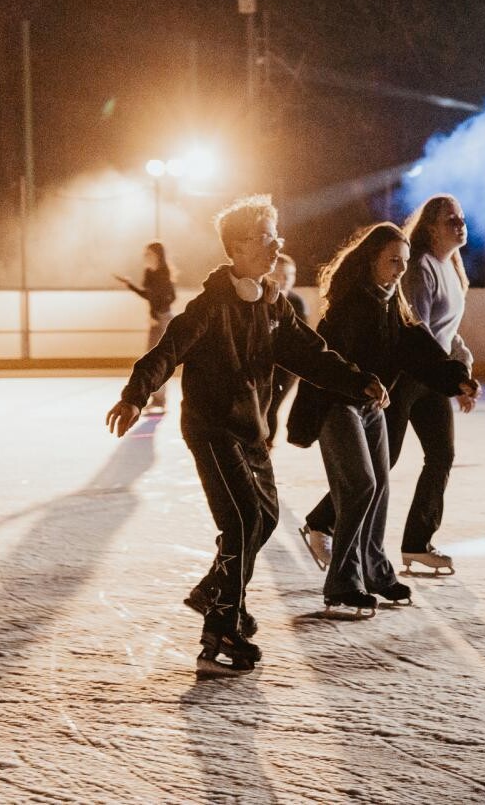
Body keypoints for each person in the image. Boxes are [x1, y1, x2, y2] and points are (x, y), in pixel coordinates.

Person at [104, 194, 385, 677]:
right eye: (265, 237)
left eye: (276, 235)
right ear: (236, 247)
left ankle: (214, 591)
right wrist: (135, 395)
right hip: (212, 430)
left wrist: (358, 380)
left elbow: (312, 355)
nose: (277, 245)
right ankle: (220, 632)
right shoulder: (210, 306)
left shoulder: (272, 305)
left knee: (266, 518)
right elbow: (167, 351)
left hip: (251, 431)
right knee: (242, 520)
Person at [286, 223, 480, 613]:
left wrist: (457, 378)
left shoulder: (392, 304)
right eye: (393, 261)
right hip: (336, 404)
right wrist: (362, 384)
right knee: (360, 486)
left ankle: (375, 570)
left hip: (371, 407)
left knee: (380, 486)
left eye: (404, 262)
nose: (400, 270)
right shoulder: (350, 307)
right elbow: (328, 364)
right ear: (370, 260)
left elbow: (419, 349)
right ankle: (342, 580)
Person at [390, 194, 480, 575]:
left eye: (461, 218)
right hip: (407, 376)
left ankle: (417, 543)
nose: (460, 225)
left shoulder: (452, 268)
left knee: (441, 455)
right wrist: (453, 376)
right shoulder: (420, 267)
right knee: (383, 459)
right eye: (450, 220)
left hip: (433, 376)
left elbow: (447, 333)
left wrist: (463, 366)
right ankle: (321, 522)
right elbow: (419, 331)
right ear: (430, 228)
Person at [114, 242, 176, 414]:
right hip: (156, 318)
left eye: (148, 254)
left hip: (163, 318)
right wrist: (130, 285)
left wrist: (157, 313)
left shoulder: (163, 273)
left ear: (157, 255)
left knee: (158, 360)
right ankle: (158, 399)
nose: (145, 257)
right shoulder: (149, 273)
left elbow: (171, 297)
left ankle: (160, 400)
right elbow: (148, 296)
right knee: (152, 359)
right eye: (145, 254)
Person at [265, 254, 308, 447]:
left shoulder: (296, 303)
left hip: (287, 367)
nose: (285, 279)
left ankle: (266, 447)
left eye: (290, 275)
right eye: (280, 274)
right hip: (262, 362)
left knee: (271, 405)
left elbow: (302, 337)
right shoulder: (258, 298)